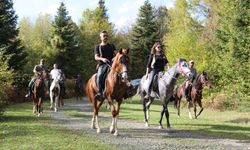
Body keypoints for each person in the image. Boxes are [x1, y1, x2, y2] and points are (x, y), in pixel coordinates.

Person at [94, 30, 116, 100]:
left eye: (106, 36)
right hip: (102, 65)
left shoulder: (112, 46)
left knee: (122, 73)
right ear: (101, 37)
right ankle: (100, 92)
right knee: (100, 76)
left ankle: (125, 91)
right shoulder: (98, 47)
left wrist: (114, 58)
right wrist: (102, 59)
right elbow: (96, 57)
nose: (105, 37)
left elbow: (117, 55)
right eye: (104, 36)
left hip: (112, 65)